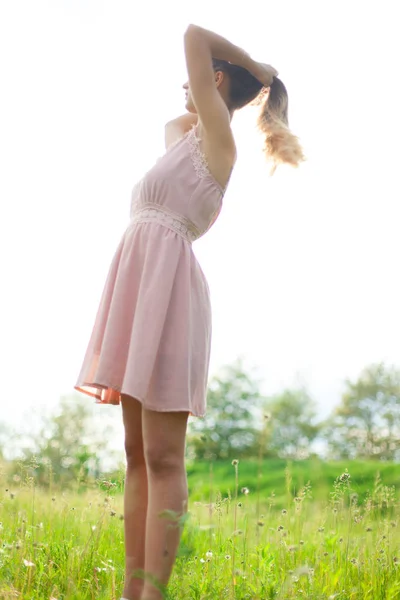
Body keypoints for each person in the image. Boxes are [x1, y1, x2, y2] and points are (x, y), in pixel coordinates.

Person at [74, 24, 304, 600]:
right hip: (137, 287)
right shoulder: (189, 138)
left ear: (216, 80)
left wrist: (255, 68)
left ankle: (153, 593)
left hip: (169, 293)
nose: (186, 84)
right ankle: (132, 592)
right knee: (133, 453)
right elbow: (178, 121)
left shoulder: (221, 140)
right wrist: (245, 85)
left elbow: (194, 36)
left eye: (199, 81)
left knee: (161, 454)